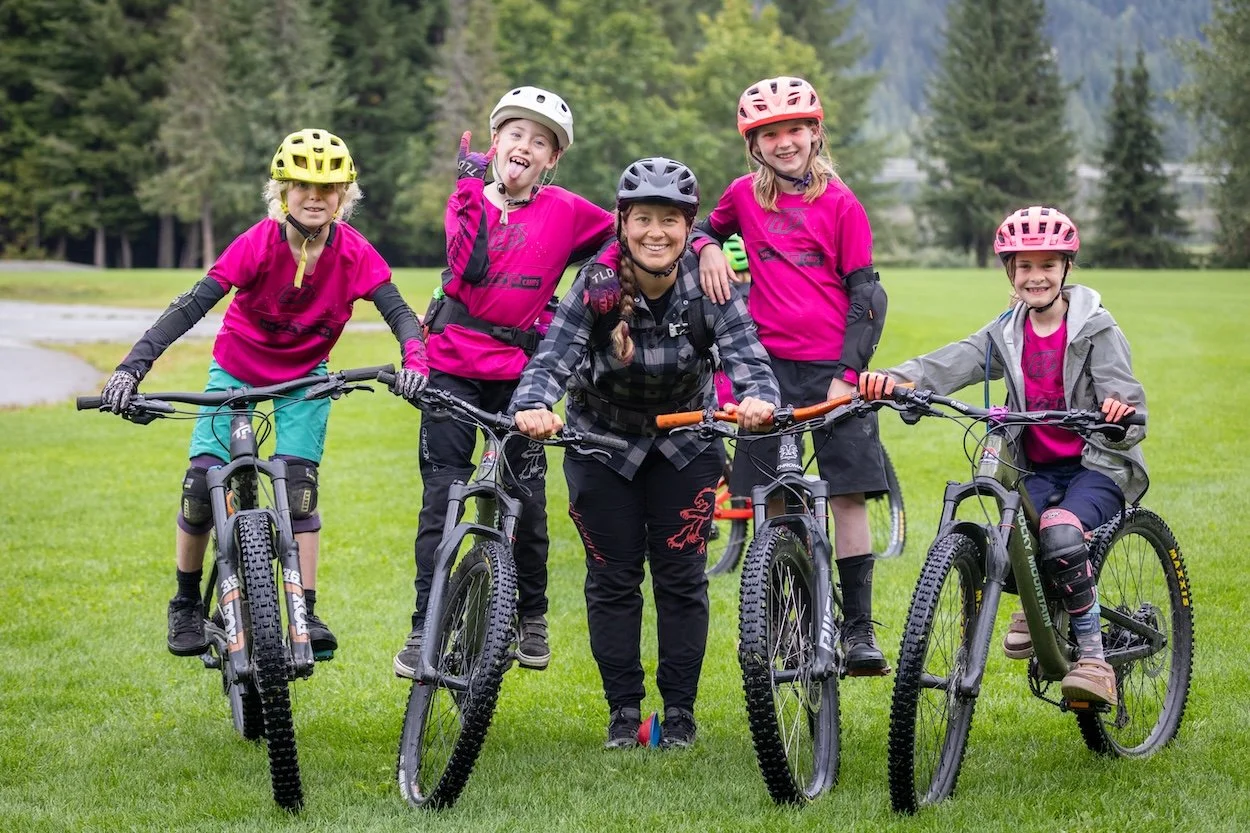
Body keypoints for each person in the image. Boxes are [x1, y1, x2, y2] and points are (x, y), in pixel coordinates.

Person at [99, 128, 430, 660]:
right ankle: (186, 603)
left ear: (345, 196)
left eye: (328, 187)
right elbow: (191, 305)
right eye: (302, 185)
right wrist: (129, 369)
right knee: (198, 487)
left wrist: (416, 360)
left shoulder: (355, 253)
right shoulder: (258, 242)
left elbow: (398, 312)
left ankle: (305, 607)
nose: (315, 197)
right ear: (281, 192)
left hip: (304, 379)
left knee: (299, 490)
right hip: (235, 374)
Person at [511, 157, 779, 749]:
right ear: (622, 223)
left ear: (689, 229)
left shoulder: (710, 285)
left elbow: (748, 358)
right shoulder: (596, 284)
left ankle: (679, 715)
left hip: (687, 445)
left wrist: (758, 398)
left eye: (670, 221)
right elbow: (551, 359)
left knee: (682, 579)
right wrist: (532, 405)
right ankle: (624, 715)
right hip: (601, 444)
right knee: (612, 579)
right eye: (642, 220)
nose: (655, 233)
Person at [859, 205, 1147, 706]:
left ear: (1066, 269)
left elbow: (1129, 404)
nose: (1035, 277)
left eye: (1047, 266)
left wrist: (1118, 413)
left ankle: (1095, 659)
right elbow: (950, 362)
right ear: (1010, 273)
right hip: (1031, 464)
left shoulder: (1098, 331)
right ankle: (1042, 606)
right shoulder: (1004, 334)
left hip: (1094, 464)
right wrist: (897, 380)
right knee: (1009, 536)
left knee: (1057, 529)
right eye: (1024, 267)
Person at [393, 86, 617, 679]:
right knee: (441, 499)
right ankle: (424, 624)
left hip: (524, 375)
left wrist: (599, 276)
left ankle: (531, 614)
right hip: (452, 366)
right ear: (496, 143)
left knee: (527, 500)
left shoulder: (567, 209)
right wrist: (470, 192)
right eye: (516, 135)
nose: (525, 146)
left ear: (552, 161)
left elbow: (623, 234)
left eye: (540, 143)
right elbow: (468, 266)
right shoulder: (466, 195)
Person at [695, 76, 892, 674]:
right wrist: (706, 246)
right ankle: (780, 620)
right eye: (770, 134)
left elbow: (867, 295)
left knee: (849, 497)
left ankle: (857, 630)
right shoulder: (743, 197)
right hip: (765, 370)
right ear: (755, 144)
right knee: (769, 499)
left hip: (833, 371)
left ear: (815, 133)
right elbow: (705, 227)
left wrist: (848, 376)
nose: (784, 143)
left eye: (794, 130)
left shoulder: (841, 203)